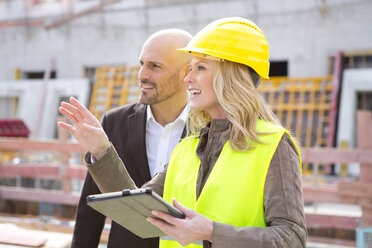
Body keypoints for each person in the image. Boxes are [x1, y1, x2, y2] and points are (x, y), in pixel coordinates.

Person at [60, 17, 307, 248]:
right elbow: (137, 214)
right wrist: (102, 150)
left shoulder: (273, 144)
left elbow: (292, 238)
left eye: (200, 68)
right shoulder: (187, 149)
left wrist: (211, 231)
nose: (187, 79)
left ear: (229, 76)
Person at [58, 29, 192, 248]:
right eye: (142, 64)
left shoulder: (207, 129)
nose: (142, 75)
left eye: (155, 66)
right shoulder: (114, 122)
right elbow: (90, 209)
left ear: (186, 73)